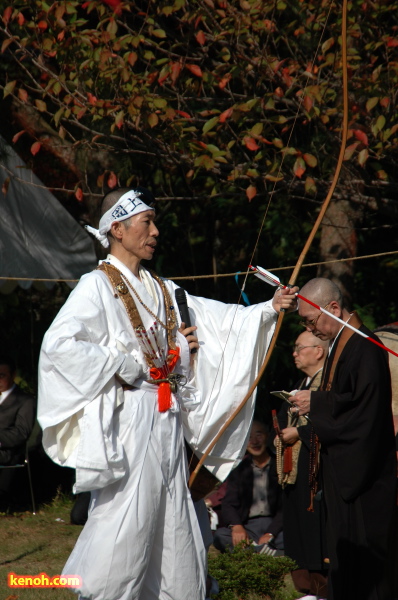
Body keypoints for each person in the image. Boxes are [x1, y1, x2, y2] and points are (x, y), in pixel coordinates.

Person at [38, 187, 297, 600]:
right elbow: (60, 346)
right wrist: (135, 364)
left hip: (166, 419)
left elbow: (217, 321)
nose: (156, 231)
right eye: (147, 223)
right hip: (131, 422)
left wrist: (267, 309)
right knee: (130, 516)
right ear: (117, 229)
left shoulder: (160, 287)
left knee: (175, 518)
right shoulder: (96, 287)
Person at [292, 278, 397, 600]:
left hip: (364, 480)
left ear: (333, 308)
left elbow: (366, 414)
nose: (313, 331)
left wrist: (317, 402)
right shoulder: (344, 345)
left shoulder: (365, 347)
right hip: (345, 476)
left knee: (370, 574)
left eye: (312, 321)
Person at [275, 331, 329, 600]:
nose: (294, 353)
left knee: (316, 528)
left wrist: (299, 433)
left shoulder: (329, 384)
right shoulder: (301, 382)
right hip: (293, 470)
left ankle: (320, 588)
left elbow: (337, 422)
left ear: (319, 351)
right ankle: (304, 587)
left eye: (300, 348)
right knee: (296, 527)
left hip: (318, 474)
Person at [213, 419, 283, 555]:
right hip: (248, 528)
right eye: (249, 437)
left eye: (258, 435)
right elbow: (229, 503)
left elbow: (286, 507)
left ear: (268, 436)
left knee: (291, 539)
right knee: (221, 536)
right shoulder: (240, 468)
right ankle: (267, 553)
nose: (255, 442)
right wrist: (237, 527)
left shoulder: (280, 465)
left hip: (275, 527)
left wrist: (270, 533)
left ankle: (252, 553)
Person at [0, 356, 36, 510]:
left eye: (2, 375)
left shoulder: (25, 401)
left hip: (9, 451)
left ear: (13, 375)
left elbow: (21, 432)